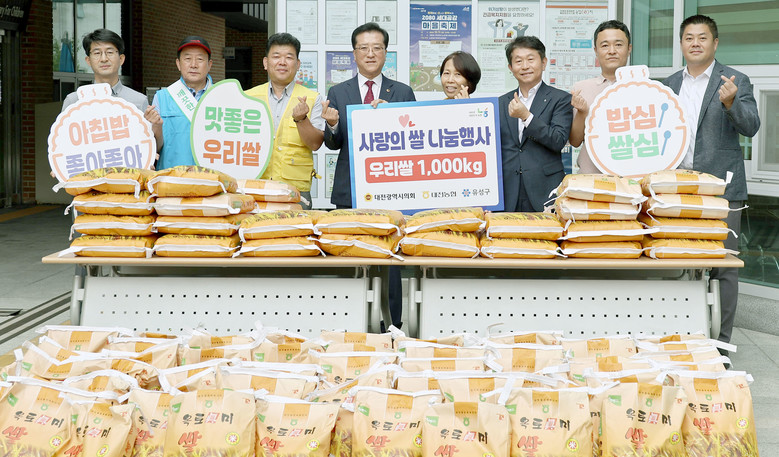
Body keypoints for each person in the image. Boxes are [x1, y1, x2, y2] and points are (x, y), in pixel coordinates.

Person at [663, 14, 760, 347]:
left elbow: (751, 126)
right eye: (689, 38)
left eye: (702, 37)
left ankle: (720, 345)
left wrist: (731, 102)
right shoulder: (668, 84)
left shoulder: (735, 80)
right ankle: (683, 338)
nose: (695, 43)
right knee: (678, 262)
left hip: (721, 190)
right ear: (681, 44)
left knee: (723, 267)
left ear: (715, 43)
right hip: (676, 189)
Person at [322, 22, 415, 330]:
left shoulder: (402, 92)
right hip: (350, 189)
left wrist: (393, 119)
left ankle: (393, 326)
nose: (370, 53)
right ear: (354, 54)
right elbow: (333, 143)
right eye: (364, 48)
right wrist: (332, 124)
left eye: (377, 48)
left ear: (386, 53)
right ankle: (349, 326)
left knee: (391, 260)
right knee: (350, 257)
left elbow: (415, 141)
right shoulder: (339, 92)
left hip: (391, 189)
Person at [245, 33, 325, 209]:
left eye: (289, 57)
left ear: (297, 64)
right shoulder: (247, 97)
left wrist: (302, 119)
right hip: (254, 185)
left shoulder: (313, 98)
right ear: (266, 63)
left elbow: (315, 144)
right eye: (276, 56)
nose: (282, 62)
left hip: (295, 188)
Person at [498, 36, 572, 212]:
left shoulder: (560, 99)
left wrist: (526, 117)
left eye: (530, 59)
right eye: (518, 61)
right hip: (508, 191)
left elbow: (558, 140)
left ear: (544, 63)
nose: (525, 66)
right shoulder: (501, 102)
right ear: (511, 68)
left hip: (545, 188)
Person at [61, 29, 161, 142]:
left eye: (109, 52)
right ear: (88, 60)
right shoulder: (74, 101)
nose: (104, 59)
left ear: (121, 59)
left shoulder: (139, 101)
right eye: (97, 53)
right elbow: (64, 143)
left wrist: (156, 127)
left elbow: (152, 146)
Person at [569, 20, 632, 173]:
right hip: (591, 178)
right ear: (596, 51)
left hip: (632, 178)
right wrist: (582, 112)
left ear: (629, 48)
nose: (612, 51)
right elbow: (575, 141)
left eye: (618, 45)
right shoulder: (581, 89)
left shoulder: (643, 88)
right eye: (605, 45)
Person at [152, 36, 214, 169]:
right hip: (170, 176)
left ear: (209, 65)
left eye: (200, 59)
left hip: (211, 177)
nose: (193, 65)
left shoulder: (221, 96)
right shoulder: (162, 98)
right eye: (187, 59)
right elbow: (154, 147)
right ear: (178, 64)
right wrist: (156, 127)